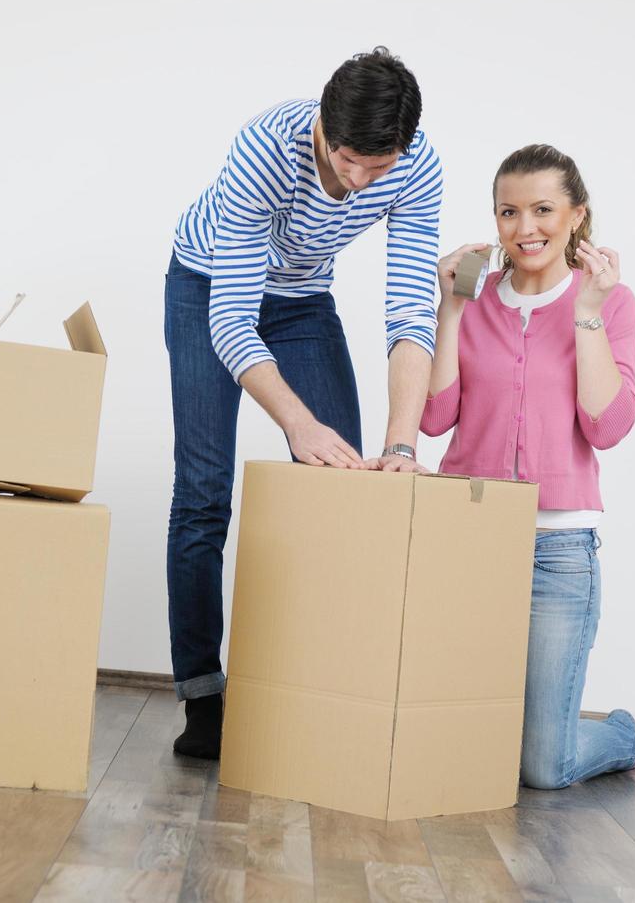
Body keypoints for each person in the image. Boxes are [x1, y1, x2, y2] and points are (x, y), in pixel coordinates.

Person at [165, 48, 443, 758]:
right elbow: (230, 319)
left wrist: (403, 444)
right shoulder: (266, 145)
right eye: (346, 161)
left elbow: (412, 312)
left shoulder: (416, 168)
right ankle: (203, 700)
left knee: (346, 492)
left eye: (374, 171)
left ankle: (316, 688)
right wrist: (298, 422)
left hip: (301, 299)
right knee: (203, 493)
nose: (356, 183)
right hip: (206, 286)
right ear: (322, 125)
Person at [421, 143, 635, 788]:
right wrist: (449, 311)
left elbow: (606, 427)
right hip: (468, 536)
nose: (525, 228)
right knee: (453, 737)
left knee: (543, 768)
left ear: (576, 215)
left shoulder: (611, 303)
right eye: (508, 212)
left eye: (543, 210)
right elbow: (435, 418)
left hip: (559, 550)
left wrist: (585, 316)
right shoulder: (474, 300)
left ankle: (622, 733)